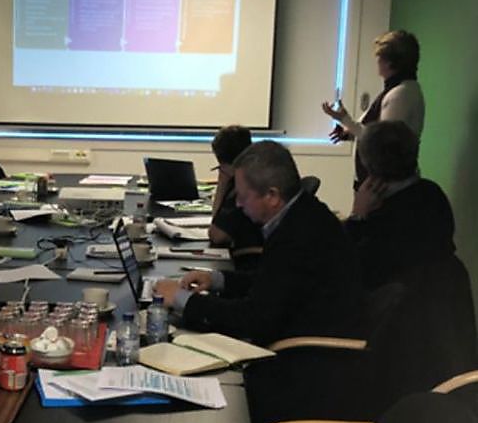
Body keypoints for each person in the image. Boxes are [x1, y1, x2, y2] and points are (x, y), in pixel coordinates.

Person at [154, 141, 363, 346]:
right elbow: (273, 281)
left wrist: (183, 299)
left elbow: (253, 319)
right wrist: (217, 279)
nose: (238, 204)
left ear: (272, 196)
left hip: (299, 351)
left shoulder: (296, 237)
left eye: (243, 196)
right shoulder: (304, 213)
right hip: (298, 329)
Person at [345, 120, 455, 289]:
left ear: (367, 163)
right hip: (450, 293)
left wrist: (357, 215)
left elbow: (347, 265)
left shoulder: (379, 216)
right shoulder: (433, 192)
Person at [322, 30, 425, 187]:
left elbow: (380, 143)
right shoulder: (402, 89)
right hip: (383, 183)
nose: (376, 61)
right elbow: (376, 132)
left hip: (385, 186)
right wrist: (349, 132)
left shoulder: (400, 95)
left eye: (379, 57)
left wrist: (345, 119)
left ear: (389, 62)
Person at [207, 125, 264, 260]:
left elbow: (217, 235)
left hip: (249, 261)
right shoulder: (260, 174)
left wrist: (222, 181)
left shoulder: (242, 187)